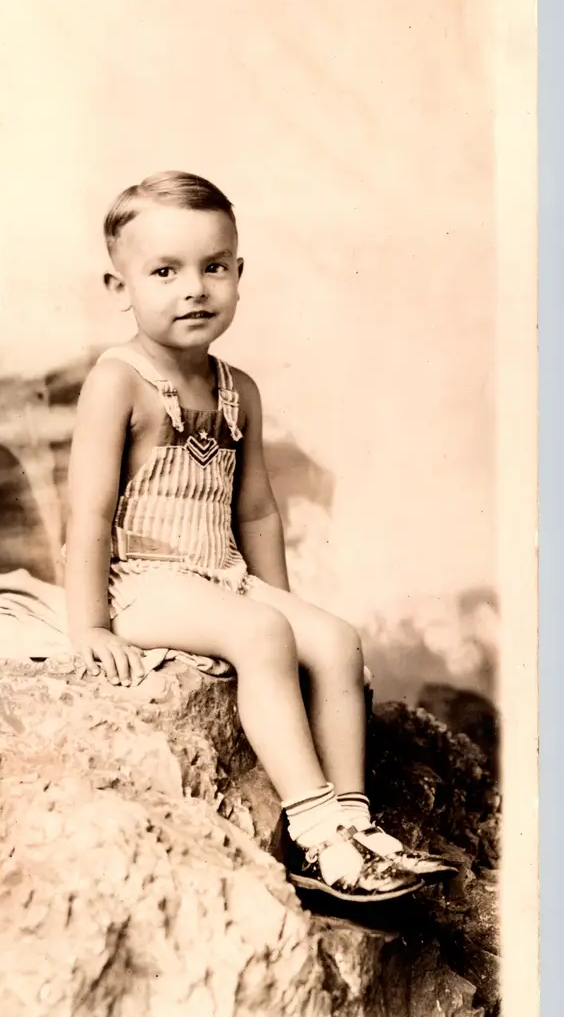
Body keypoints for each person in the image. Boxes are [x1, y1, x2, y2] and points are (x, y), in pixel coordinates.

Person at [64, 170, 454, 903]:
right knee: (262, 633)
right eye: (165, 272)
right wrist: (89, 625)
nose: (194, 289)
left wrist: (280, 605)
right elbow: (87, 516)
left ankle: (354, 823)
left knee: (333, 639)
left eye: (214, 267)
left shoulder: (238, 388)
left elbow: (256, 514)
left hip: (221, 578)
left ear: (239, 273)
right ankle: (318, 833)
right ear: (119, 287)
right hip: (142, 583)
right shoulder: (117, 381)